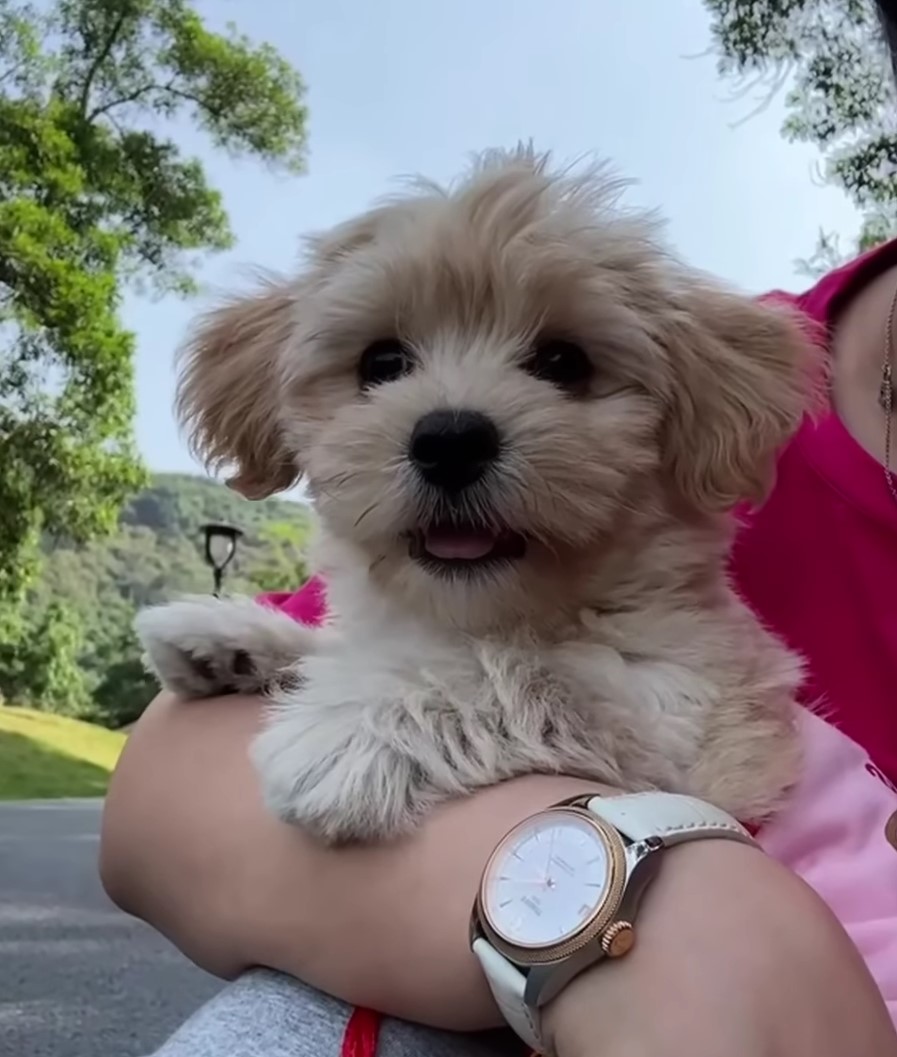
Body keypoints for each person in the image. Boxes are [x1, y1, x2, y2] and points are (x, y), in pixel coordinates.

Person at [99, 5, 897, 1053]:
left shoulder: (673, 641)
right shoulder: (428, 610)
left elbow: (700, 751)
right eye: (384, 363)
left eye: (562, 362)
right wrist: (320, 663)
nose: (452, 419)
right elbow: (175, 801)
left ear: (690, 419)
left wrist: (425, 717)